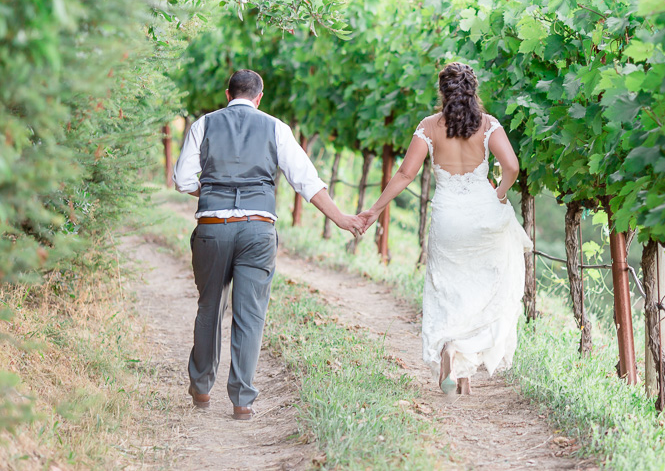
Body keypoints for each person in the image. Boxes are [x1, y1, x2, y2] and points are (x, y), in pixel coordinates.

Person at [173, 69, 362, 420]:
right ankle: (242, 400)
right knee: (250, 315)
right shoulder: (276, 127)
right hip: (258, 230)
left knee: (209, 307)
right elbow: (306, 180)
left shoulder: (204, 124)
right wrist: (341, 219)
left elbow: (183, 180)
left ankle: (201, 387)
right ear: (259, 98)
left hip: (212, 228)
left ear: (228, 94)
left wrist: (214, 191)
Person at [357, 62, 532, 396]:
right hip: (483, 216)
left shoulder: (429, 127)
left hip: (448, 219)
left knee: (448, 289)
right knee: (480, 291)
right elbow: (511, 166)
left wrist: (374, 210)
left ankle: (450, 352)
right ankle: (463, 370)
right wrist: (500, 193)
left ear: (442, 91)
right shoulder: (488, 125)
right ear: (473, 90)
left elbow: (405, 174)